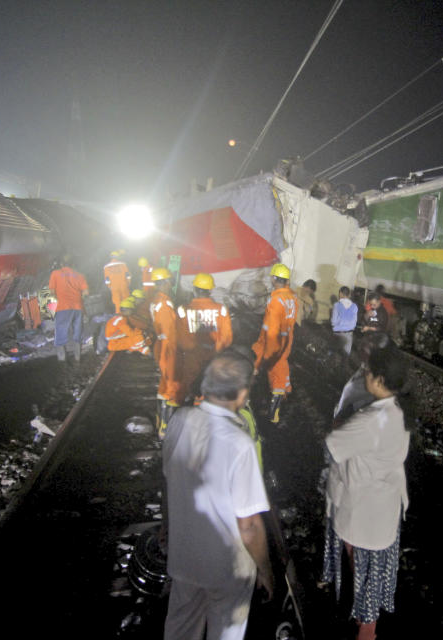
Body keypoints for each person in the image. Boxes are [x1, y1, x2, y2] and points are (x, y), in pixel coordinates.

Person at [162, 352, 274, 640]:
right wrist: (265, 570)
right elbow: (248, 525)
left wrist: (166, 528)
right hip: (227, 570)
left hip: (184, 559)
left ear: (206, 386)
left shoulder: (179, 421)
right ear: (242, 393)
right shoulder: (240, 443)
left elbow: (169, 480)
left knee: (180, 631)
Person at [321, 345, 412, 640]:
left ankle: (365, 633)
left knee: (359, 582)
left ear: (380, 379)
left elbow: (333, 445)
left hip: (361, 515)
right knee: (373, 580)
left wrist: (340, 423)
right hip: (383, 511)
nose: (365, 377)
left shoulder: (369, 420)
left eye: (369, 373)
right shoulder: (399, 411)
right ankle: (367, 626)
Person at [252, 263, 298, 423]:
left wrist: (268, 354)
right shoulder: (292, 298)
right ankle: (276, 404)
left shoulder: (276, 300)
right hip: (286, 339)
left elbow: (271, 329)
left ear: (273, 278)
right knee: (280, 369)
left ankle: (273, 415)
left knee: (273, 373)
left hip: (273, 341)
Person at [177, 272, 233, 402]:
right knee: (212, 389)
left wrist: (192, 348)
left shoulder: (184, 310)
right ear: (210, 290)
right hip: (214, 358)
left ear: (195, 290)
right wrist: (216, 349)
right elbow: (227, 337)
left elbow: (179, 337)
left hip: (192, 357)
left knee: (189, 389)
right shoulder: (221, 309)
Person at [149, 267, 181, 436]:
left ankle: (160, 424)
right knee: (172, 388)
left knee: (164, 387)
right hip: (168, 348)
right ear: (166, 282)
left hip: (162, 346)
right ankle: (166, 430)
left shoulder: (157, 300)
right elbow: (170, 332)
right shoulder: (164, 304)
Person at [47, 255, 88, 363]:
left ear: (61, 264)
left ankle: (62, 359)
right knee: (77, 332)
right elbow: (86, 293)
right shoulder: (80, 275)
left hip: (62, 307)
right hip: (78, 307)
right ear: (73, 264)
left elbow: (51, 292)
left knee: (60, 333)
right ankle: (77, 358)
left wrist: (53, 306)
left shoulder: (55, 273)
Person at [331, 286, 358, 356]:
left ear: (340, 294)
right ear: (349, 295)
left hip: (338, 334)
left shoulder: (336, 305)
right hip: (349, 334)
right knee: (345, 358)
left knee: (335, 356)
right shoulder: (354, 306)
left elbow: (333, 322)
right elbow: (354, 324)